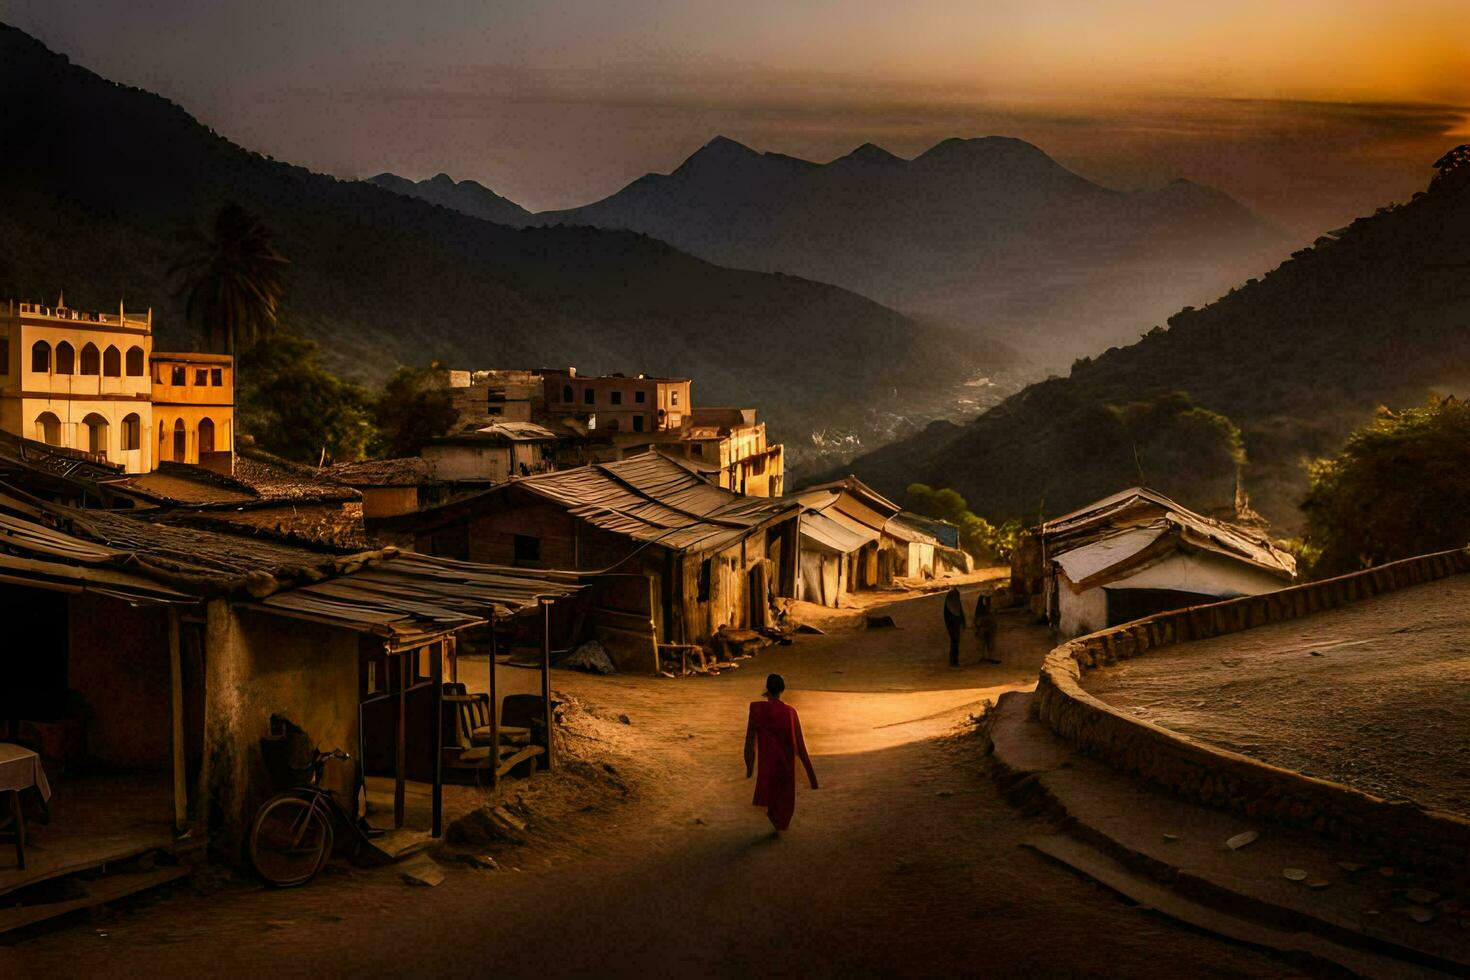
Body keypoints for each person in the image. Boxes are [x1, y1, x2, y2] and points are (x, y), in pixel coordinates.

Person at [744, 673, 818, 834]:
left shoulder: (757, 709)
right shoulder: (790, 712)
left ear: (767, 689)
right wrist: (811, 777)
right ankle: (780, 824)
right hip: (786, 762)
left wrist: (749, 764)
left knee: (771, 792)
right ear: (782, 690)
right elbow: (800, 745)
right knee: (784, 795)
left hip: (768, 762)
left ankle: (775, 821)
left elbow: (750, 740)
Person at [974, 593, 1000, 664]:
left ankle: (987, 657)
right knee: (985, 643)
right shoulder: (983, 610)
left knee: (988, 643)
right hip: (984, 628)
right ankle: (985, 657)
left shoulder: (981, 609)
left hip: (987, 628)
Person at [942, 586, 965, 666]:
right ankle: (954, 661)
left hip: (952, 619)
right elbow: (958, 609)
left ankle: (954, 660)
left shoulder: (950, 597)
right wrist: (962, 621)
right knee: (955, 640)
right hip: (954, 619)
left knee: (954, 641)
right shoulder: (954, 595)